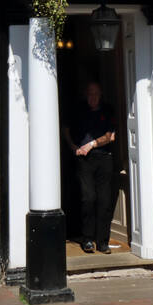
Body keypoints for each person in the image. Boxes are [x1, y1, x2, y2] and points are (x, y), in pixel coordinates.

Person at [64, 81, 116, 254]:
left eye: (95, 94)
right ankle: (87, 239)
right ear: (86, 95)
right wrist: (73, 147)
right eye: (90, 94)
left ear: (100, 95)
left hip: (104, 158)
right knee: (88, 198)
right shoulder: (79, 110)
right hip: (84, 160)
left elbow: (110, 136)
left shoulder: (107, 110)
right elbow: (66, 129)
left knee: (104, 200)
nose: (92, 97)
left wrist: (92, 144)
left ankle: (102, 242)